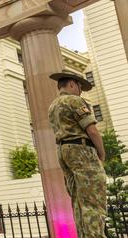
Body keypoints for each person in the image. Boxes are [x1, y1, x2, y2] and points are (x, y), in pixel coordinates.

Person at [48, 70, 106, 237]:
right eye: (80, 87)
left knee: (79, 202)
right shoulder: (74, 100)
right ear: (72, 84)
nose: (81, 91)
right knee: (93, 200)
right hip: (81, 151)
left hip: (63, 151)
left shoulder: (53, 106)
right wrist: (101, 155)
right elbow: (92, 131)